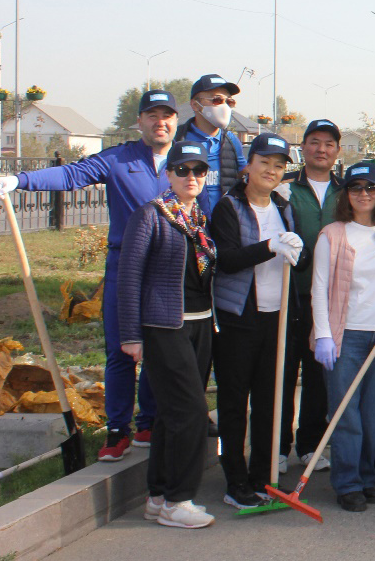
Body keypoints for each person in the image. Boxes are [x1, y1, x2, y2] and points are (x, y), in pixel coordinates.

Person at [0, 87, 177, 461]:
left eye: (167, 116)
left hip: (169, 272)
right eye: (153, 116)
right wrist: (19, 181)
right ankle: (118, 430)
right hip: (124, 269)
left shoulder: (188, 163)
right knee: (121, 350)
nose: (160, 123)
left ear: (176, 121)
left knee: (160, 350)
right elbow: (72, 174)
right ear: (140, 121)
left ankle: (149, 422)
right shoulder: (119, 159)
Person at [115, 140, 219, 529]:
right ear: (168, 174)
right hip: (165, 327)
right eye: (182, 170)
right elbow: (129, 277)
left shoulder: (200, 219)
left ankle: (158, 496)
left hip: (201, 324)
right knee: (191, 413)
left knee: (171, 415)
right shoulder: (151, 216)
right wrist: (131, 335)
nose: (191, 177)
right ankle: (179, 500)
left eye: (199, 170)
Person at [310, 162, 375, 512]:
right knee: (347, 415)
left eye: (371, 187)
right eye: (356, 187)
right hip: (346, 337)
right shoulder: (332, 234)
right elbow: (319, 288)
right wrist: (323, 335)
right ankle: (348, 483)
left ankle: (367, 476)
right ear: (346, 194)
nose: (364, 194)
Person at [208, 133, 303, 509]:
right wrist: (269, 247)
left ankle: (263, 478)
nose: (271, 171)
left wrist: (297, 251)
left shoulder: (283, 207)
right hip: (238, 319)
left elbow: (294, 259)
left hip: (276, 318)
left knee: (270, 401)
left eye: (279, 166)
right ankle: (235, 481)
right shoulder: (228, 207)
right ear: (248, 165)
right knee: (234, 402)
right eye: (264, 162)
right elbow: (227, 259)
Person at [278, 117, 342, 473]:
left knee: (319, 375)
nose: (321, 149)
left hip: (330, 298)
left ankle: (310, 445)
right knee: (284, 371)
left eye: (329, 144)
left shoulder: (346, 191)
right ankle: (278, 446)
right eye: (315, 142)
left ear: (337, 151)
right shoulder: (286, 188)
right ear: (303, 147)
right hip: (291, 295)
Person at [179, 73, 246, 215]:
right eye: (217, 100)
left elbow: (245, 175)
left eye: (229, 102)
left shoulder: (231, 141)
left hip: (223, 222)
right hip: (187, 221)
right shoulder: (179, 139)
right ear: (195, 105)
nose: (224, 106)